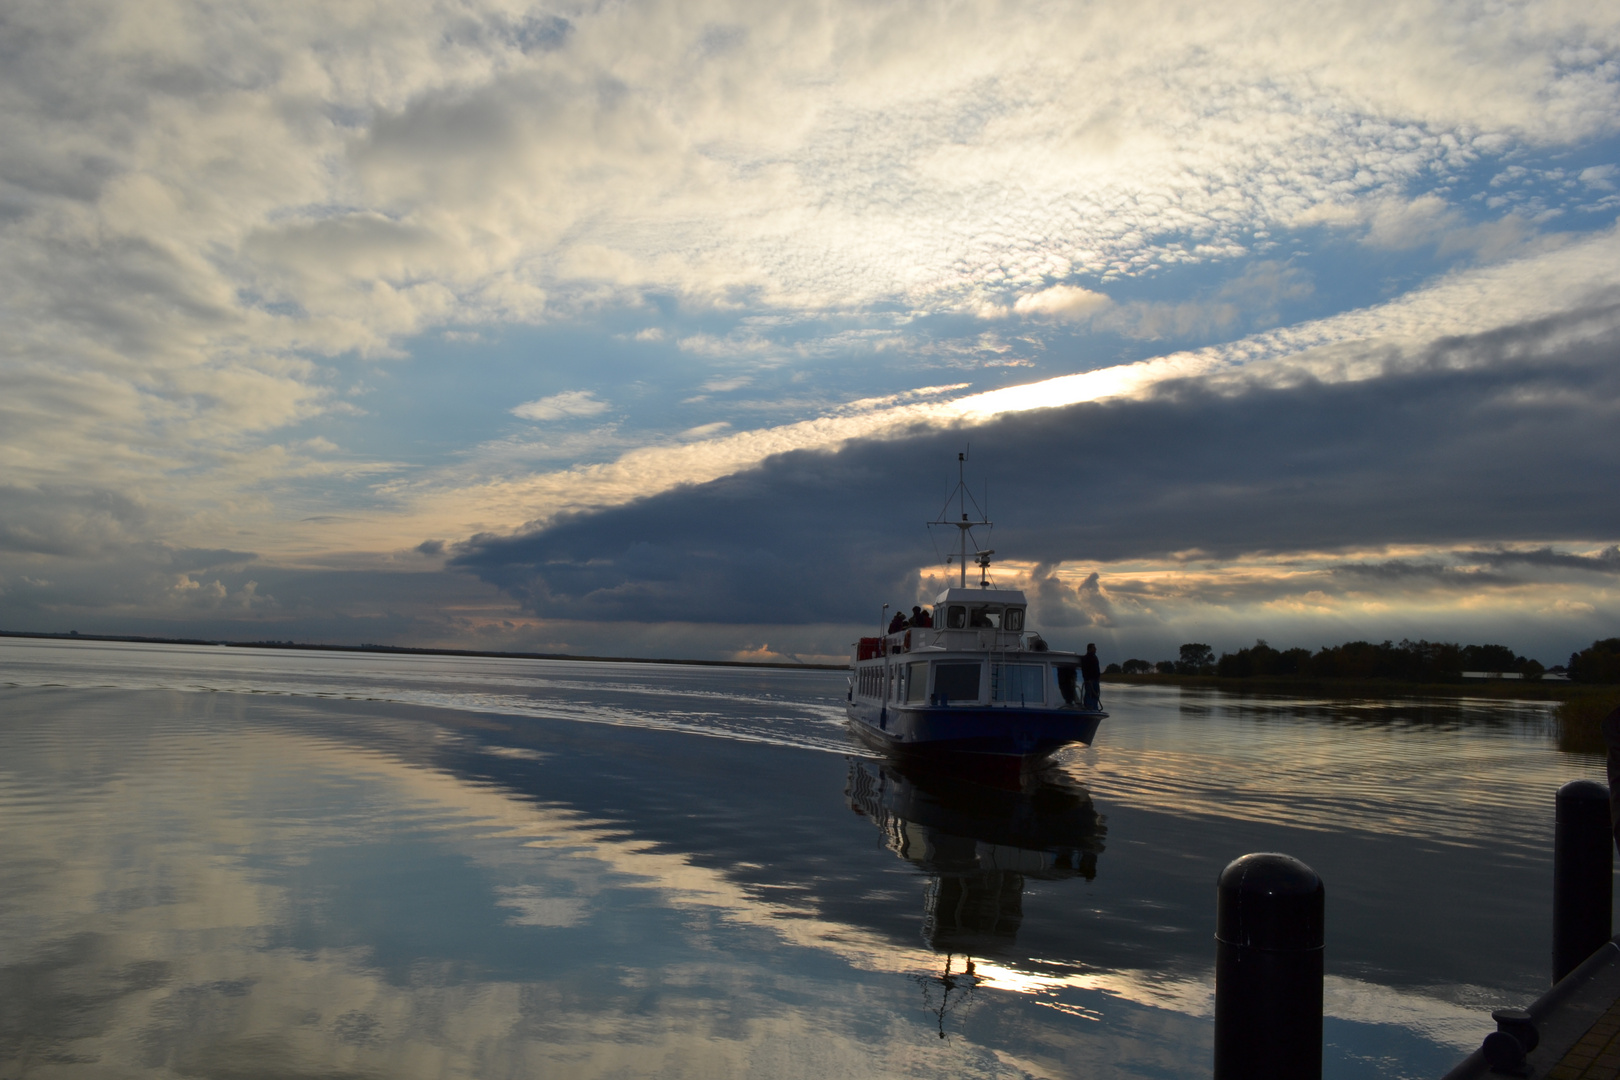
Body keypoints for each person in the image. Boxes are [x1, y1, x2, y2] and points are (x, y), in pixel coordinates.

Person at [1079, 643, 1101, 710]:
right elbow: (1084, 670)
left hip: (1095, 680)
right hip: (1089, 680)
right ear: (1089, 649)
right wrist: (1087, 679)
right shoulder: (1085, 658)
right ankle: (1088, 707)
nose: (1095, 649)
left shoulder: (1095, 657)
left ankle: (1094, 708)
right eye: (1094, 648)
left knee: (1095, 695)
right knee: (1089, 694)